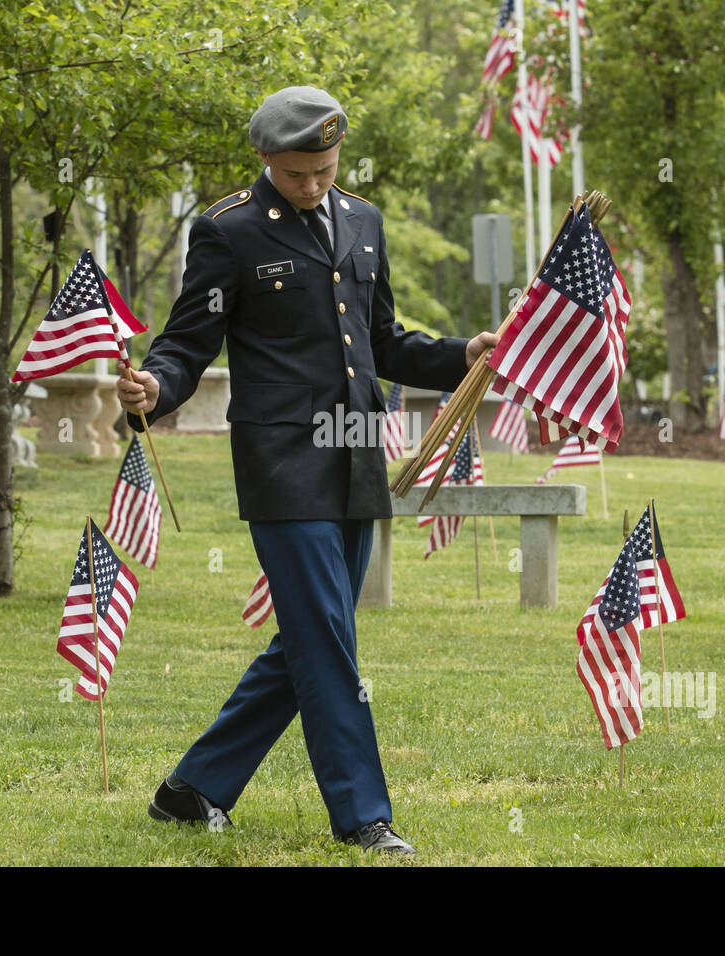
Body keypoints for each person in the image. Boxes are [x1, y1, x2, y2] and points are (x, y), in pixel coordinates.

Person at [117, 86, 498, 854]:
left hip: (358, 454)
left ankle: (191, 790)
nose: (315, 184)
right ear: (266, 160)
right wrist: (155, 387)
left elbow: (384, 341)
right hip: (282, 462)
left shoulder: (363, 220)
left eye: (325, 168)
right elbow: (189, 341)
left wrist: (462, 353)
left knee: (312, 636)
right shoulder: (227, 232)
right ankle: (364, 817)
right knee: (327, 638)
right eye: (298, 174)